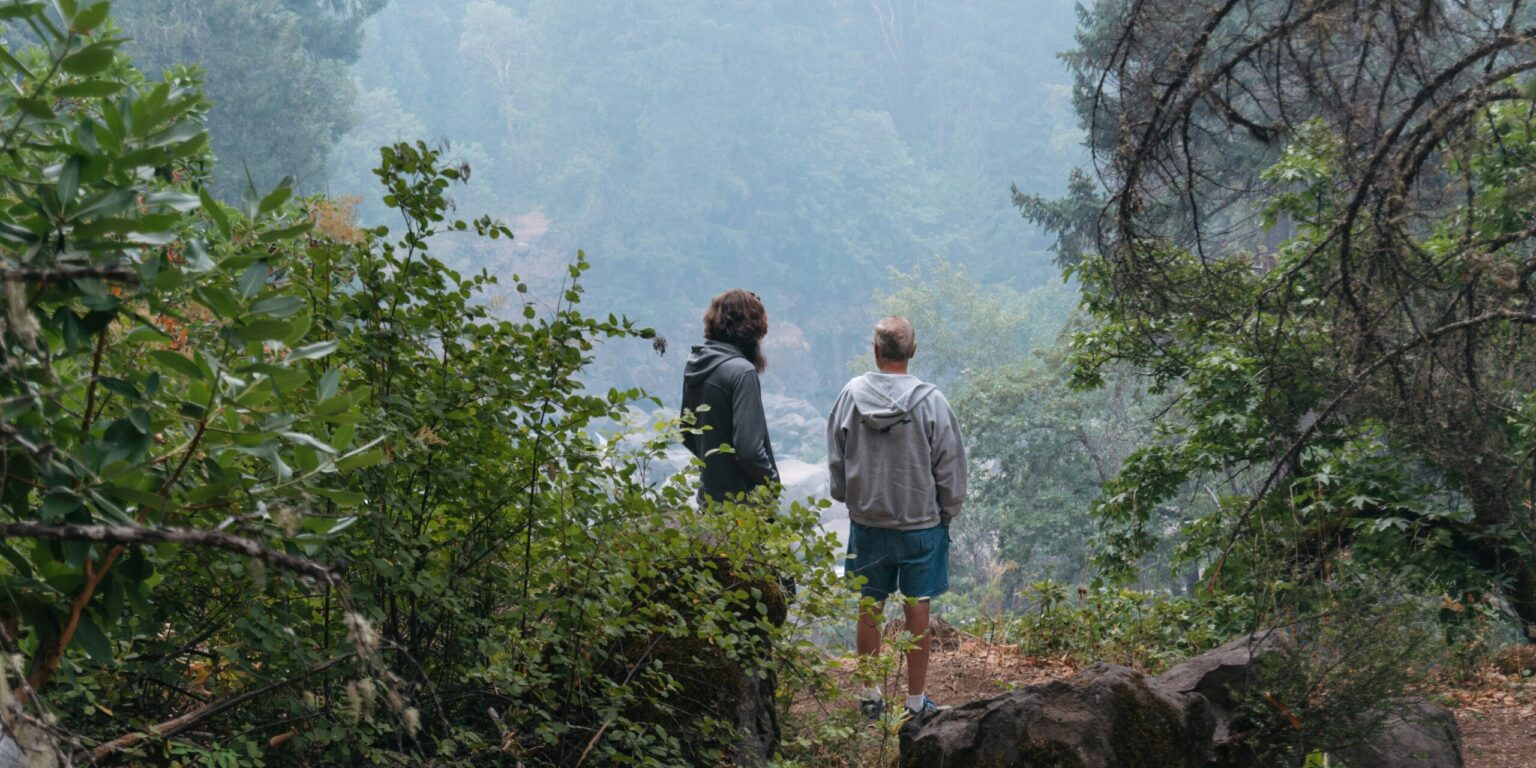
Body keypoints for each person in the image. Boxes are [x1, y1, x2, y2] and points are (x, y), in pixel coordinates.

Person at [827, 316, 966, 719]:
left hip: (869, 522)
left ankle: (871, 697)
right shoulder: (931, 401)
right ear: (913, 351)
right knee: (917, 608)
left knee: (869, 605)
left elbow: (837, 456)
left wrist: (848, 496)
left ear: (876, 350)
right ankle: (915, 702)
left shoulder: (851, 396)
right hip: (921, 524)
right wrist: (947, 511)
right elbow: (950, 464)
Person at [681, 289, 779, 504]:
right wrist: (772, 483)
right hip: (744, 506)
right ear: (752, 330)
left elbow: (687, 431)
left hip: (709, 499)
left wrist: (716, 467)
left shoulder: (696, 363)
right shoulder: (742, 372)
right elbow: (749, 450)